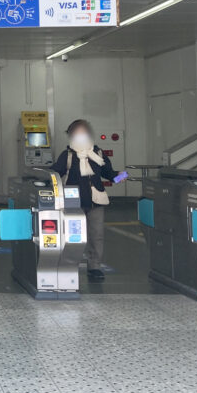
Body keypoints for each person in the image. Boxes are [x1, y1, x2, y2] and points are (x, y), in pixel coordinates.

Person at [51, 119, 116, 281]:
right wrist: (37, 175)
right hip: (73, 202)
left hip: (96, 201)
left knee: (97, 235)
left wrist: (122, 176)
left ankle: (94, 267)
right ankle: (69, 265)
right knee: (73, 236)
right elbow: (56, 172)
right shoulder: (67, 155)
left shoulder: (98, 154)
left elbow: (109, 173)